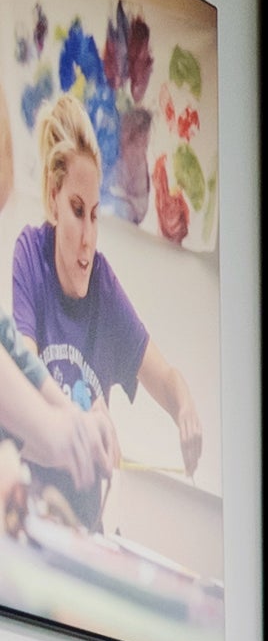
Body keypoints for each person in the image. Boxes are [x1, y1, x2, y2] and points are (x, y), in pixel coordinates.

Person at [10, 91, 204, 495]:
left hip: (84, 521)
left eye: (95, 215)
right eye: (77, 211)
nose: (88, 239)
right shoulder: (30, 253)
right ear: (53, 200)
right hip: (35, 506)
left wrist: (184, 406)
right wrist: (81, 416)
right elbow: (23, 368)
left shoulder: (103, 285)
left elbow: (164, 376)